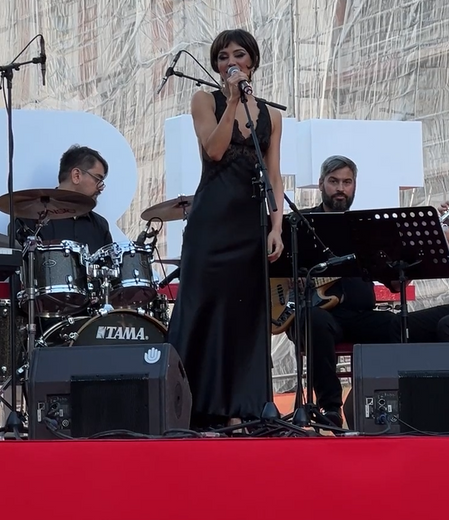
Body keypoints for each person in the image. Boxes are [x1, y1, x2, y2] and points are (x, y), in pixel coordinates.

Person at [166, 29, 285, 429]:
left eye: (238, 54)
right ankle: (190, 407)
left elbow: (274, 174)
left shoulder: (271, 115)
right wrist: (232, 100)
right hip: (211, 223)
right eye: (221, 56)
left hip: (249, 224)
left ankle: (240, 410)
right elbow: (214, 151)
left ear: (252, 60)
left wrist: (276, 226)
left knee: (245, 319)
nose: (229, 61)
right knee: (202, 310)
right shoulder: (205, 100)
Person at [304, 155, 449, 427]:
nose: (340, 188)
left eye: (347, 182)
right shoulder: (305, 224)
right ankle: (331, 408)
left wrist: (410, 261)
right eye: (334, 181)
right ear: (321, 184)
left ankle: (395, 406)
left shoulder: (365, 229)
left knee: (397, 325)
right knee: (315, 320)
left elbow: (394, 283)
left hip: (361, 315)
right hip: (321, 315)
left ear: (355, 186)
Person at [14, 144, 113, 253]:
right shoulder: (29, 219)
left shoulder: (100, 226)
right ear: (76, 176)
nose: (101, 188)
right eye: (98, 179)